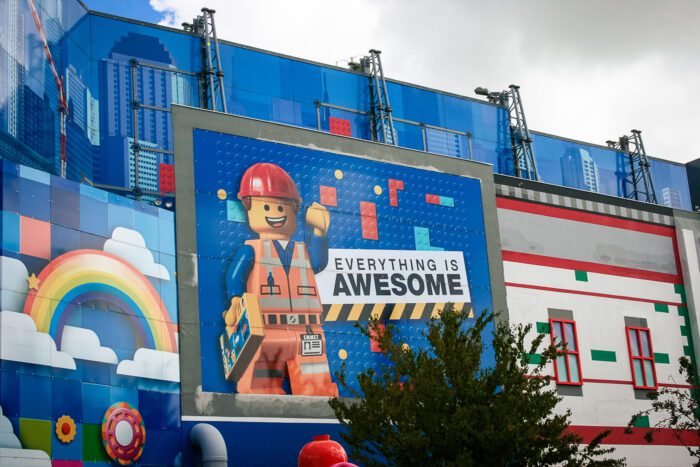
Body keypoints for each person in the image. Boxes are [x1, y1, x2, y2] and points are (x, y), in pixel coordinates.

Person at [222, 163, 338, 396]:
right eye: (266, 206)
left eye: (282, 207)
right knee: (262, 381)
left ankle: (319, 402)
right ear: (249, 207)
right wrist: (235, 301)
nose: (276, 213)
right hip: (266, 327)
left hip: (307, 329)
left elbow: (318, 263)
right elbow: (235, 275)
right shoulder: (251, 250)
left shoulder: (302, 250)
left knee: (315, 379)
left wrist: (319, 232)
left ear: (294, 210)